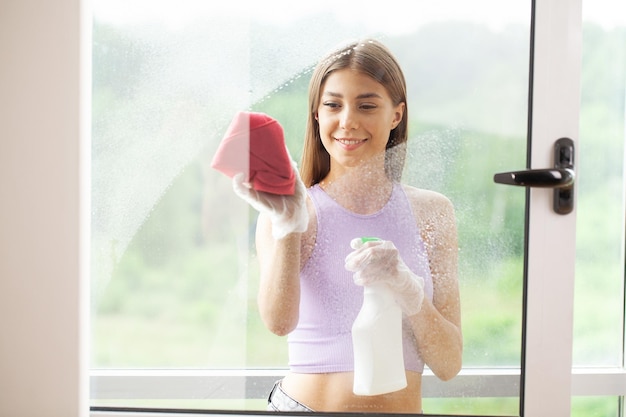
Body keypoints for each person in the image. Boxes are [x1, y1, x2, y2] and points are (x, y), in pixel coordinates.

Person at [233, 39, 462, 413]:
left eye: (367, 105)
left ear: (396, 115)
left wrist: (407, 289)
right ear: (317, 115)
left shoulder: (433, 212)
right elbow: (277, 321)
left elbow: (448, 363)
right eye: (333, 105)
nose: (348, 121)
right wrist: (289, 225)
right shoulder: (289, 209)